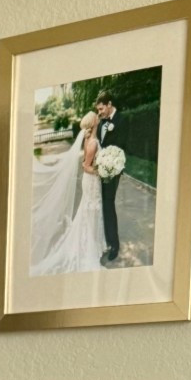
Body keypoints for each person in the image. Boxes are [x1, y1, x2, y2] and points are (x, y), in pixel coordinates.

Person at [33, 110, 107, 274]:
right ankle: (89, 247)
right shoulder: (93, 142)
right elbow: (86, 167)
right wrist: (103, 171)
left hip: (90, 182)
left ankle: (91, 244)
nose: (98, 117)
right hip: (92, 181)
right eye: (96, 116)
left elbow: (85, 163)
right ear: (93, 122)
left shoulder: (89, 138)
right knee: (92, 210)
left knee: (88, 211)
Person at [94, 95, 122, 263]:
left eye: (101, 108)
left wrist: (111, 167)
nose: (99, 112)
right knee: (103, 205)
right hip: (102, 170)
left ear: (109, 104)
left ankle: (114, 245)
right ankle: (104, 240)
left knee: (108, 205)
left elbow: (122, 146)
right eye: (98, 110)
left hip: (113, 170)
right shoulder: (102, 123)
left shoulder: (122, 120)